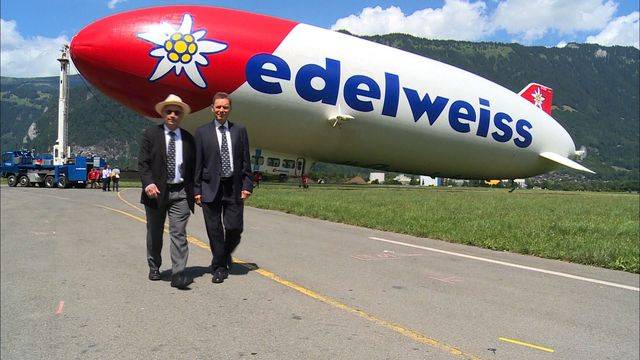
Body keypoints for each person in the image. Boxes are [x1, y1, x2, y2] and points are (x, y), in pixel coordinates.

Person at [138, 94, 196, 289]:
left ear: (181, 116)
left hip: (180, 192)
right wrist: (148, 184)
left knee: (179, 232)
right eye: (169, 112)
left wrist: (195, 191)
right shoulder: (150, 135)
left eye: (177, 112)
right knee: (155, 232)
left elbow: (194, 168)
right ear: (163, 114)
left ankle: (178, 273)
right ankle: (154, 266)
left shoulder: (188, 139)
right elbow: (143, 164)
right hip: (155, 193)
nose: (173, 115)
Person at [194, 92, 253, 284]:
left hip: (234, 187)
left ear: (229, 109)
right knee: (214, 230)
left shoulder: (239, 130)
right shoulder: (202, 132)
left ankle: (223, 253)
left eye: (225, 107)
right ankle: (219, 267)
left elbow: (246, 160)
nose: (221, 110)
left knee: (235, 228)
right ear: (212, 109)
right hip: (210, 187)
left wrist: (247, 184)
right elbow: (198, 163)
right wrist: (196, 190)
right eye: (218, 107)